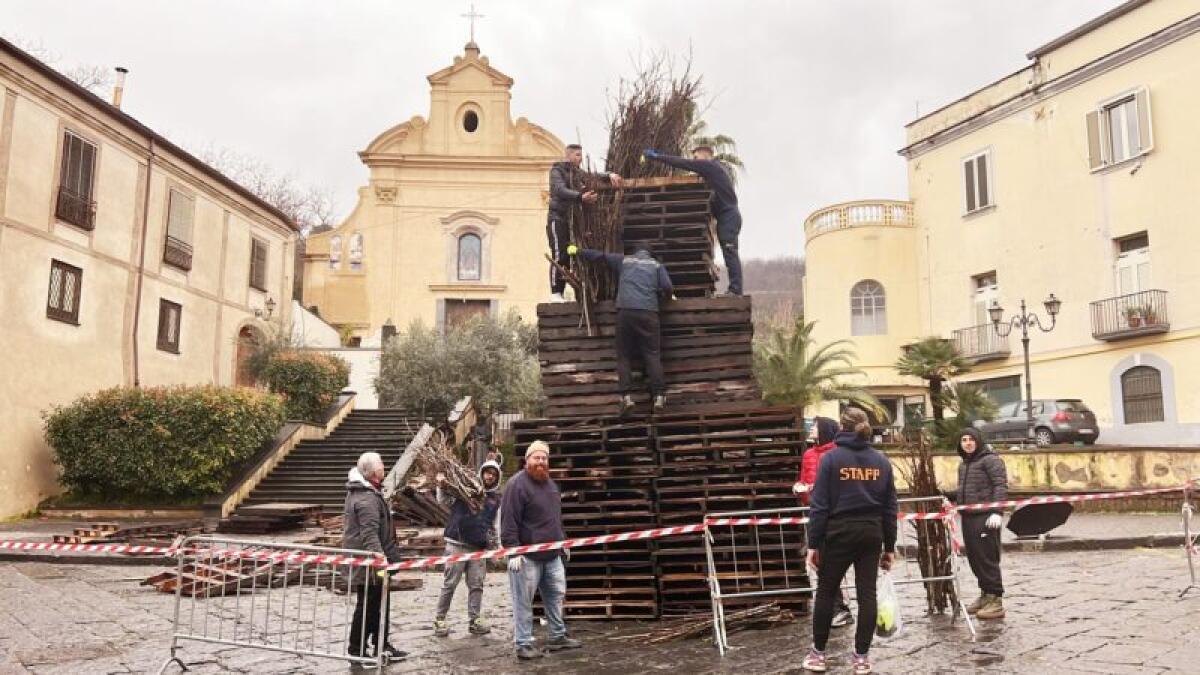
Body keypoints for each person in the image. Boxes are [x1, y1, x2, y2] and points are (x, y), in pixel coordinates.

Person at [802, 408, 898, 675]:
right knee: (867, 594)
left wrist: (813, 544)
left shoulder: (831, 460)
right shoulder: (881, 460)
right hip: (871, 533)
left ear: (841, 427)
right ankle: (861, 659)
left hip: (838, 532)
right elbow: (890, 507)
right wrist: (889, 546)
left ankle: (818, 656)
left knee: (826, 591)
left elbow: (819, 506)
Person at [568, 242, 674, 416]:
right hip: (649, 313)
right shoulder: (656, 266)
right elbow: (668, 287)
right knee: (652, 355)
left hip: (626, 312)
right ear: (650, 253)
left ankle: (626, 398)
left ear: (634, 251)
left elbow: (599, 256)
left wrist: (578, 251)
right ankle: (659, 397)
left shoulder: (624, 261)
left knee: (624, 355)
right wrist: (663, 296)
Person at [501, 441, 581, 660]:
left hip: (552, 555)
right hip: (527, 558)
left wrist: (562, 542)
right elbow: (508, 520)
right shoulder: (516, 485)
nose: (541, 462)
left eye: (544, 458)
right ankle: (523, 644)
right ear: (527, 460)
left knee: (556, 596)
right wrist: (513, 551)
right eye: (536, 458)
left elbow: (554, 517)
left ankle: (557, 636)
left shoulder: (550, 485)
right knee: (523, 601)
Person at [642, 146, 743, 295]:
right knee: (729, 251)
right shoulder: (716, 170)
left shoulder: (710, 166)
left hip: (728, 216)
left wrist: (657, 156)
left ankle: (735, 289)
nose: (694, 161)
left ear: (705, 155)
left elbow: (683, 163)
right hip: (728, 216)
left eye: (696, 157)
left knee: (730, 251)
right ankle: (735, 289)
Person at [342, 452, 407, 661]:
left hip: (372, 563)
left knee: (378, 602)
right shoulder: (366, 499)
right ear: (371, 472)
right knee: (369, 604)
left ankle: (380, 644)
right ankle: (358, 648)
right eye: (380, 464)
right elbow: (369, 534)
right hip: (371, 565)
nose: (383, 467)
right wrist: (381, 561)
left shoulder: (367, 492)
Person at [793, 416, 854, 629]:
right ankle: (833, 608)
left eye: (815, 426)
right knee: (819, 563)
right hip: (815, 514)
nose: (811, 429)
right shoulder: (808, 454)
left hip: (835, 515)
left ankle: (842, 609)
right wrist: (801, 488)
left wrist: (816, 490)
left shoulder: (837, 453)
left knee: (833, 563)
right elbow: (805, 480)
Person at [432, 458, 503, 638]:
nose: (490, 476)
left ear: (497, 478)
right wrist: (440, 485)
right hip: (456, 544)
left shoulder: (495, 500)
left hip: (478, 547)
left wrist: (498, 546)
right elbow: (444, 501)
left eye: (494, 474)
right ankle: (440, 619)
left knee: (477, 584)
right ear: (482, 473)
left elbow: (496, 524)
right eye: (488, 472)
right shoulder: (466, 489)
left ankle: (475, 620)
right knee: (450, 583)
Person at [945, 428, 1009, 620]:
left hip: (986, 518)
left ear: (978, 441)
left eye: (971, 439)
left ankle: (996, 600)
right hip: (968, 517)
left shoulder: (990, 460)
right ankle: (985, 594)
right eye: (964, 439)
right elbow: (967, 490)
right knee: (975, 558)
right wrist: (949, 496)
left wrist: (997, 511)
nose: (967, 443)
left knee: (987, 557)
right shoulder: (964, 465)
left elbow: (1000, 485)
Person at [546, 144, 622, 302]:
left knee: (569, 255)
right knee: (559, 254)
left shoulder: (577, 172)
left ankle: (563, 292)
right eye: (578, 155)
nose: (580, 159)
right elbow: (559, 190)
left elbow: (591, 176)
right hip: (557, 218)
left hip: (570, 221)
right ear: (569, 156)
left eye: (581, 155)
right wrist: (580, 198)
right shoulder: (557, 171)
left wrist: (609, 175)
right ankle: (555, 292)